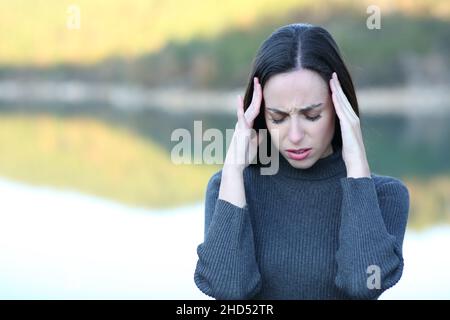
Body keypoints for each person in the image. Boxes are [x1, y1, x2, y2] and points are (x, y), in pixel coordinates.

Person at [193, 23, 410, 300]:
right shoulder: (228, 189)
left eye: (312, 115)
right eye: (278, 118)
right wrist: (234, 169)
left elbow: (362, 284)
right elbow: (228, 290)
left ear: (339, 108)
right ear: (261, 116)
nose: (295, 136)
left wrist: (356, 165)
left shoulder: (384, 196)